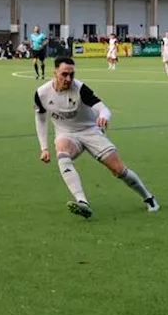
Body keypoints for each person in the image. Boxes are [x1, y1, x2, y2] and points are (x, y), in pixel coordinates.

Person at [34, 56, 159, 218]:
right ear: (55, 72)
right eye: (64, 74)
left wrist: (104, 117)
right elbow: (41, 119)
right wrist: (44, 147)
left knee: (119, 170)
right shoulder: (42, 93)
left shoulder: (80, 89)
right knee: (62, 150)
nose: (68, 78)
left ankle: (149, 198)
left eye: (72, 74)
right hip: (67, 134)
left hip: (90, 131)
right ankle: (82, 202)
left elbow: (104, 109)